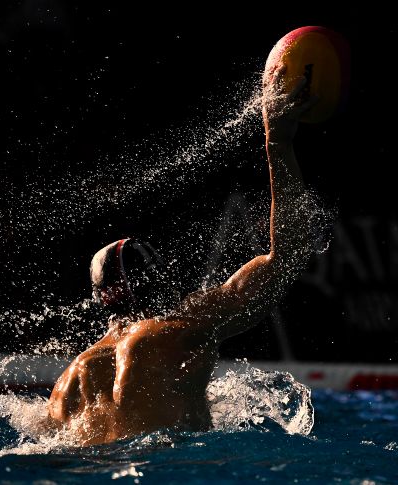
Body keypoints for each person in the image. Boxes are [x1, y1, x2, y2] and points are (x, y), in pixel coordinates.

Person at [47, 64, 319, 445]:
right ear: (161, 282)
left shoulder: (66, 385)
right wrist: (278, 140)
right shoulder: (179, 329)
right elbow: (286, 256)